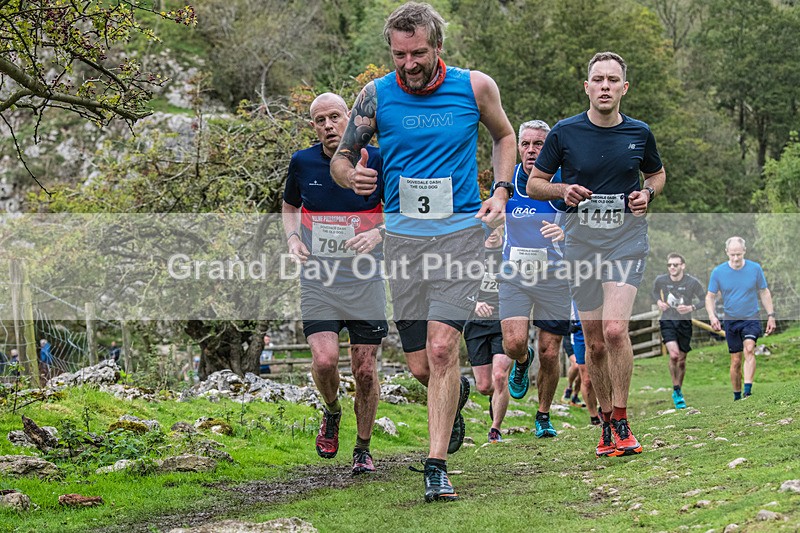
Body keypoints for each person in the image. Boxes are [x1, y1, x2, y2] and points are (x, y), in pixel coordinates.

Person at [331, 2, 516, 501]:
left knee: (442, 349)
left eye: (417, 53)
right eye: (398, 55)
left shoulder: (475, 86)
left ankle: (435, 466)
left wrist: (500, 191)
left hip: (459, 237)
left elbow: (504, 136)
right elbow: (341, 158)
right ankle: (450, 402)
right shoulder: (375, 96)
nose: (408, 64)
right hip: (404, 244)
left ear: (438, 46)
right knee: (420, 366)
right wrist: (352, 176)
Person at [527, 52, 666, 458]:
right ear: (586, 87)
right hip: (581, 245)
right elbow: (536, 183)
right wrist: (561, 191)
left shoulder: (639, 133)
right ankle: (605, 422)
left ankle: (621, 419)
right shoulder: (564, 133)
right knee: (595, 344)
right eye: (597, 80)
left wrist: (648, 194)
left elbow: (656, 173)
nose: (605, 86)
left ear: (625, 88)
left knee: (615, 331)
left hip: (626, 240)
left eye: (612, 80)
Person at [283, 92, 389, 476]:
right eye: (320, 120)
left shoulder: (376, 159)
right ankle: (331, 411)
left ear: (349, 118)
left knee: (364, 370)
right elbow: (290, 206)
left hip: (365, 280)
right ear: (313, 126)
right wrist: (293, 239)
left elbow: (400, 210)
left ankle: (362, 448)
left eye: (334, 117)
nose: (328, 126)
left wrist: (378, 234)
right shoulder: (302, 162)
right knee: (325, 360)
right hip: (319, 279)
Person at [500, 120, 571, 440]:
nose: (531, 151)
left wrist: (566, 231)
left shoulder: (561, 182)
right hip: (514, 273)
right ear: (518, 147)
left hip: (554, 276)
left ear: (549, 147)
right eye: (526, 144)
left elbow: (584, 223)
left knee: (550, 351)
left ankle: (543, 414)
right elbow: (492, 212)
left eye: (539, 144)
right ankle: (521, 361)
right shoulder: (508, 180)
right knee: (514, 342)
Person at [705, 237, 775, 401]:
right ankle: (737, 396)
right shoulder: (718, 272)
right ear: (727, 253)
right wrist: (712, 316)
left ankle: (748, 392)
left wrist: (771, 315)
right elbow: (710, 297)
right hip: (731, 319)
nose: (736, 258)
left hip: (751, 317)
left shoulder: (755, 269)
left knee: (749, 349)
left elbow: (764, 292)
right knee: (736, 360)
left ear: (744, 251)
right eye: (732, 255)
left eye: (738, 254)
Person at [463, 225, 511, 443]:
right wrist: (475, 303)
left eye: (497, 225)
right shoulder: (469, 254)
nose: (492, 231)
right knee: (484, 386)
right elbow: (457, 288)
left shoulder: (510, 252)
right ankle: (494, 398)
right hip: (475, 324)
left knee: (500, 375)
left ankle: (495, 429)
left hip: (504, 321)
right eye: (487, 226)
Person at [652, 253, 706, 409]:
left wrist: (691, 307)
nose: (672, 268)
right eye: (669, 265)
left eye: (675, 265)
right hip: (667, 320)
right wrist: (659, 302)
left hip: (684, 323)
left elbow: (704, 299)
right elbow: (654, 292)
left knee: (681, 360)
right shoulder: (661, 280)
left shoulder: (692, 282)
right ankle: (676, 388)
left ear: (683, 266)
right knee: (674, 355)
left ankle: (678, 391)